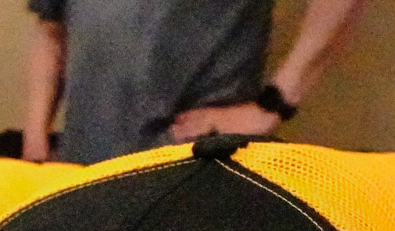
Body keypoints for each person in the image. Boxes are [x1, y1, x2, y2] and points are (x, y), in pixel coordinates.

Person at [22, 0, 368, 164]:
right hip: (79, 168)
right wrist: (36, 141)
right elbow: (52, 31)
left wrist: (272, 105)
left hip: (193, 169)